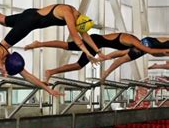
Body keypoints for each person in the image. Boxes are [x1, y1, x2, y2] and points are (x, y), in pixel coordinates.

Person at [0, 3, 100, 69]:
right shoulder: (68, 14)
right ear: (78, 20)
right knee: (3, 47)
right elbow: (76, 37)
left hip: (30, 13)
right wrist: (87, 53)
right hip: (29, 23)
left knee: (3, 19)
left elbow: (85, 36)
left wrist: (97, 51)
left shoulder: (74, 11)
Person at [25, 33, 169, 82]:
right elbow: (147, 50)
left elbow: (118, 54)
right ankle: (50, 70)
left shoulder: (134, 45)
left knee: (68, 47)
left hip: (95, 43)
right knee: (77, 62)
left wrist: (104, 57)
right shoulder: (136, 42)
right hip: (94, 42)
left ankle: (41, 45)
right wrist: (106, 72)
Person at [101, 37, 169, 81]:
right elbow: (160, 53)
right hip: (149, 44)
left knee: (124, 52)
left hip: (148, 41)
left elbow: (160, 54)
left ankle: (102, 57)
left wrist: (156, 65)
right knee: (124, 59)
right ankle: (106, 72)